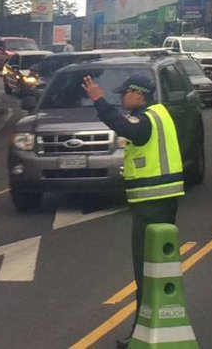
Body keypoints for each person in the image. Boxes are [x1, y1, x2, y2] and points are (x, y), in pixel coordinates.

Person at [82, 73, 185, 349]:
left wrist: (100, 101)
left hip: (152, 204)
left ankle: (142, 332)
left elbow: (129, 129)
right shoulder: (160, 113)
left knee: (146, 271)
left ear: (139, 94)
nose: (122, 98)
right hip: (160, 201)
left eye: (125, 93)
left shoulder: (147, 119)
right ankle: (154, 328)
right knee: (156, 270)